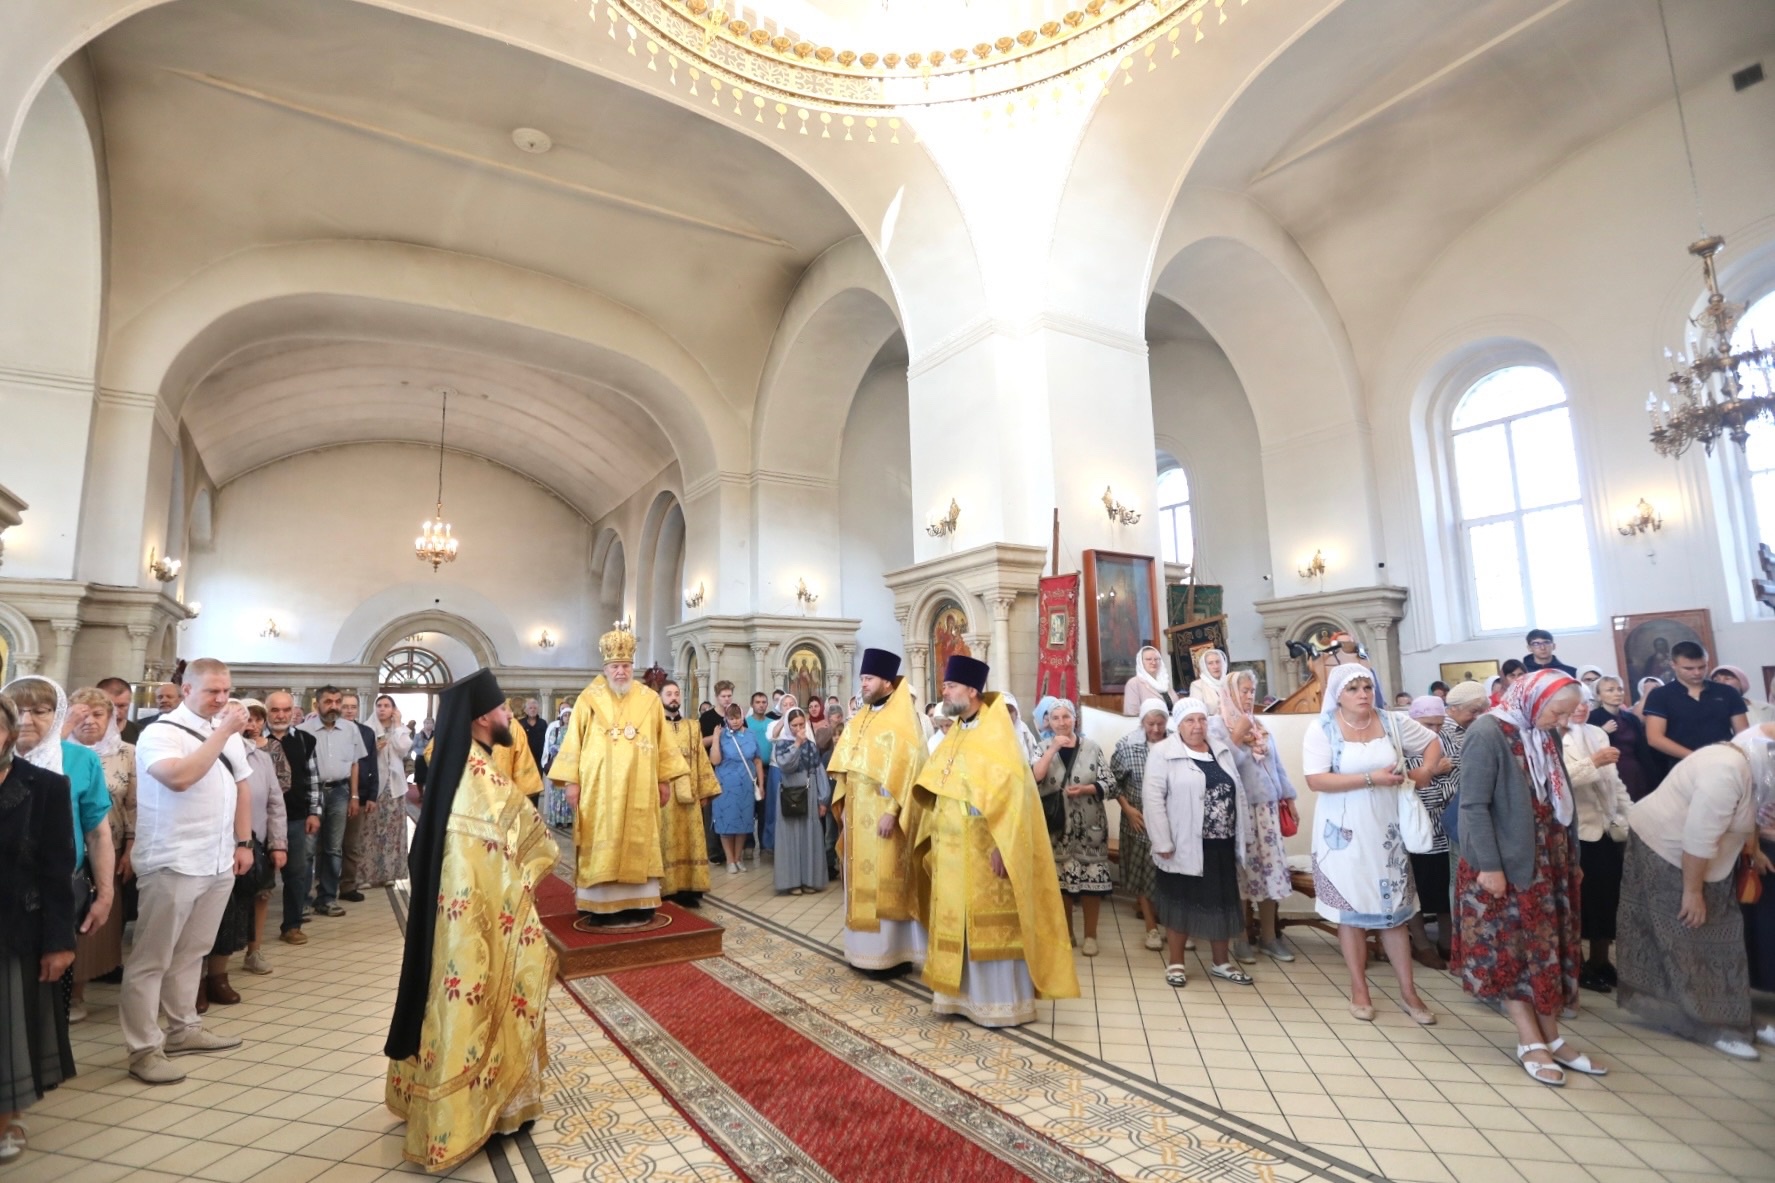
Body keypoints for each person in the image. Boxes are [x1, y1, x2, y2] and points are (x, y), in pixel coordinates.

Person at [384, 669, 559, 1171]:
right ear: (483, 717)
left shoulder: (458, 760)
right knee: (474, 1003)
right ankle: (472, 1112)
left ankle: (470, 1102)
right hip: (473, 917)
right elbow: (491, 853)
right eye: (503, 709)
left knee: (447, 1001)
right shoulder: (475, 774)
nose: (509, 716)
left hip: (453, 915)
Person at [1453, 670, 1605, 1085]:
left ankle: (1551, 1037)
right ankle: (1529, 1040)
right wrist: (1489, 866)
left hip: (1549, 858)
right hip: (1505, 863)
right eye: (1558, 712)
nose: (1562, 722)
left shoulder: (1543, 730)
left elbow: (1559, 796)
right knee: (1514, 953)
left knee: (1546, 951)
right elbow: (1473, 806)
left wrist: (1571, 856)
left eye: (1568, 714)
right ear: (1534, 700)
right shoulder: (1487, 732)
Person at [911, 655, 1078, 1026]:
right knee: (959, 924)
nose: (944, 691)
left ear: (972, 690)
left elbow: (1014, 794)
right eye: (945, 685)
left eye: (951, 686)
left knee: (991, 927)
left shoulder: (996, 733)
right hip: (951, 846)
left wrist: (1006, 845)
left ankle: (999, 1004)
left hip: (986, 845)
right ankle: (958, 999)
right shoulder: (957, 731)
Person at [122, 658, 254, 1085]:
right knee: (151, 960)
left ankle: (183, 1029)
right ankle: (144, 1050)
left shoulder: (226, 734)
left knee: (193, 951)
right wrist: (223, 731)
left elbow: (241, 785)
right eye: (213, 691)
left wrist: (244, 842)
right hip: (172, 859)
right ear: (187, 690)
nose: (222, 698)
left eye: (226, 690)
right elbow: (180, 778)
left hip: (218, 858)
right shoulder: (161, 733)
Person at [1616, 724, 1775, 1060]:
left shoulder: (1750, 765)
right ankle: (1711, 1025)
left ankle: (1739, 1017)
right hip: (1668, 850)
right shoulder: (1725, 773)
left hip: (1707, 856)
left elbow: (1747, 812)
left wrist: (1753, 850)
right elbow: (1698, 838)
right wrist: (1692, 893)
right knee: (1690, 938)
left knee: (1727, 938)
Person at [1303, 663, 1442, 1023]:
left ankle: (1409, 992)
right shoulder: (1322, 728)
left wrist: (1425, 770)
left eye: (1367, 687)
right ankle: (1359, 988)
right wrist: (1370, 779)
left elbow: (1432, 741)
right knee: (1351, 914)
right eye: (1353, 689)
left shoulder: (1391, 721)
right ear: (1338, 695)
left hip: (1386, 830)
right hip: (1343, 833)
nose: (1363, 694)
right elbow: (1316, 780)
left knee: (1394, 912)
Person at [549, 623, 689, 927]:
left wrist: (664, 779)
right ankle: (600, 905)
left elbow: (664, 741)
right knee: (602, 841)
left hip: (641, 786)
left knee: (640, 840)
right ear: (605, 668)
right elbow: (573, 742)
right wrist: (572, 783)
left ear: (632, 666)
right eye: (615, 666)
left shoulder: (649, 699)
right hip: (598, 790)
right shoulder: (589, 698)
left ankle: (640, 904)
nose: (621, 671)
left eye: (625, 665)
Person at [0, 694, 77, 1164]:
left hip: (13, 929)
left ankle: (5, 1119)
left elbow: (56, 870)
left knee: (6, 1032)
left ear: (9, 734)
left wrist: (59, 942)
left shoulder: (44, 786)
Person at [7, 679, 114, 1017]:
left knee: (48, 996)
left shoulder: (80, 760)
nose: (26, 720)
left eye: (40, 711)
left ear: (58, 715)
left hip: (59, 892)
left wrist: (105, 894)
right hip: (6, 894)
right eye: (17, 711)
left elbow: (98, 834)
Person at [828, 649, 928, 974]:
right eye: (862, 678)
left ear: (886, 681)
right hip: (857, 816)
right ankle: (861, 953)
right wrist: (844, 803)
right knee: (860, 881)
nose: (863, 684)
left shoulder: (903, 721)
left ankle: (892, 954)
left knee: (886, 882)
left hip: (885, 815)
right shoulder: (861, 717)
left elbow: (911, 771)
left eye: (868, 678)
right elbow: (847, 765)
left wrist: (893, 812)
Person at [1145, 698, 1254, 988]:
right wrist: (1162, 841)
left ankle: (1221, 963)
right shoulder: (1162, 752)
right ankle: (1176, 963)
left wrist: (1245, 835)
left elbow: (1238, 793)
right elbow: (1153, 799)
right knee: (1181, 902)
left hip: (1222, 843)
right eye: (1190, 721)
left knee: (1222, 902)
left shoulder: (1220, 749)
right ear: (1178, 725)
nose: (1197, 726)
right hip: (1183, 843)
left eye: (1202, 719)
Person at [198, 700, 288, 1012]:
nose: (240, 722)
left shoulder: (260, 758)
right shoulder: (203, 751)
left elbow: (275, 802)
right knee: (204, 915)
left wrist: (278, 843)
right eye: (228, 715)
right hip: (209, 847)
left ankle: (218, 976)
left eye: (243, 717)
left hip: (249, 845)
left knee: (234, 914)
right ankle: (194, 980)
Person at [1213, 669, 1300, 963]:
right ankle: (1240, 938)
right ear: (1230, 693)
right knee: (1241, 875)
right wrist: (1237, 736)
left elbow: (1276, 766)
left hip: (1268, 811)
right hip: (1239, 812)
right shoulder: (1216, 725)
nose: (1250, 696)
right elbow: (1221, 767)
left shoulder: (1259, 723)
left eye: (1253, 691)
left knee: (1270, 873)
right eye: (1244, 691)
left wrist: (1289, 798)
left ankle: (1269, 937)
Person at [65, 686, 136, 1022]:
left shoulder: (126, 753)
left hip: (110, 846)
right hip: (68, 848)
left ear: (111, 718)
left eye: (98, 714)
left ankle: (76, 994)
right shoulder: (55, 752)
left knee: (92, 925)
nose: (89, 721)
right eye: (81, 714)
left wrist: (131, 848)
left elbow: (134, 804)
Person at [1032, 699, 1113, 956]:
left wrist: (1088, 789)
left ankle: (1091, 936)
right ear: (1048, 722)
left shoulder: (1092, 747)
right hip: (1057, 829)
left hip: (1090, 827)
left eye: (1066, 717)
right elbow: (1034, 777)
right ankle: (1066, 933)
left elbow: (1110, 783)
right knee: (1061, 885)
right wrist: (1053, 748)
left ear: (1074, 719)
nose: (1061, 722)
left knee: (1092, 882)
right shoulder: (1041, 747)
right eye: (1055, 718)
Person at [1562, 710, 1632, 993]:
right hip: (1575, 830)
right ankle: (1576, 965)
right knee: (1580, 901)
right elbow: (1558, 780)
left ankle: (1600, 960)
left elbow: (1614, 781)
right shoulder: (1552, 735)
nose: (1580, 708)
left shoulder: (1597, 733)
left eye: (1584, 702)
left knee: (1607, 898)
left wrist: (1632, 815)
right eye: (1573, 703)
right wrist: (1593, 761)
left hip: (1606, 827)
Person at [1426, 682, 1490, 940]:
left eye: (1481, 710)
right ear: (1453, 708)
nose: (1477, 716)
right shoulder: (1443, 733)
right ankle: (1462, 939)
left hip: (1471, 813)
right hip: (1455, 814)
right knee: (1459, 881)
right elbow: (1435, 774)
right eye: (1473, 711)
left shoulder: (1471, 728)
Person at [298, 686, 367, 917]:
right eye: (328, 702)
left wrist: (354, 796)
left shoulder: (350, 729)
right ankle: (302, 901)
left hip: (340, 791)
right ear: (317, 704)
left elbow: (355, 764)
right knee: (307, 849)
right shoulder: (303, 730)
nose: (334, 706)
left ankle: (327, 898)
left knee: (334, 848)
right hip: (311, 793)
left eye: (337, 701)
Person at [1643, 641, 1748, 787]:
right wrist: (1697, 757)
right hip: (1682, 766)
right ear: (1673, 665)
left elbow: (1743, 734)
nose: (1697, 673)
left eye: (1702, 667)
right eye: (1689, 668)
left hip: (1726, 764)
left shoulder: (1727, 692)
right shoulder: (1660, 695)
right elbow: (1654, 738)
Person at [1110, 701, 1168, 952]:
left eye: (1160, 724)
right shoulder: (1127, 745)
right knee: (1144, 873)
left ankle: (1175, 925)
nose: (1155, 729)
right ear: (1142, 722)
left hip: (1170, 819)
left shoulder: (1177, 743)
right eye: (1150, 724)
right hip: (1139, 819)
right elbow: (1113, 782)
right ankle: (1151, 928)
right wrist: (1127, 809)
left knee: (1170, 874)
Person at [1401, 695, 1453, 969]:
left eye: (1439, 724)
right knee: (1414, 892)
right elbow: (1406, 792)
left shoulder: (1446, 743)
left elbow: (1458, 788)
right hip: (1412, 835)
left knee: (1446, 890)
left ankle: (1448, 942)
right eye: (1427, 724)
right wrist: (1433, 772)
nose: (1434, 730)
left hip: (1445, 834)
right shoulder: (1399, 749)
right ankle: (1420, 944)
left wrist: (1426, 776)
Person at [265, 691, 320, 946]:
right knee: (259, 876)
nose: (281, 715)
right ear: (267, 711)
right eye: (275, 710)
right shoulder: (252, 739)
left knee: (297, 873)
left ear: (293, 711)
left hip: (296, 817)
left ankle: (292, 925)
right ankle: (249, 931)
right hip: (261, 819)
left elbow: (313, 779)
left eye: (286, 710)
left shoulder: (305, 740)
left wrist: (314, 812)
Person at [658, 680, 719, 907]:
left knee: (691, 840)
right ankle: (666, 888)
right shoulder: (654, 726)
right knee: (666, 838)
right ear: (660, 698)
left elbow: (701, 758)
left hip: (690, 792)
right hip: (664, 793)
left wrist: (705, 790)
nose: (674, 697)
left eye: (676, 693)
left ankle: (689, 889)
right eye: (669, 694)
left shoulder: (693, 726)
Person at [771, 708, 832, 895]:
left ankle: (809, 880)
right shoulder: (781, 744)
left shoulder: (812, 746)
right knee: (790, 836)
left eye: (801, 725)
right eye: (794, 725)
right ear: (788, 726)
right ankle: (791, 882)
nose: (798, 729)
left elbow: (818, 771)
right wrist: (797, 744)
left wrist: (823, 799)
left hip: (809, 791)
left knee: (809, 835)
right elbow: (785, 765)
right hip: (789, 792)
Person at [355, 696, 413, 889]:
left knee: (391, 831)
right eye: (379, 705)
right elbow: (359, 755)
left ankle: (389, 874)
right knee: (369, 830)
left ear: (393, 709)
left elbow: (403, 749)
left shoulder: (400, 729)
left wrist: (397, 725)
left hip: (394, 787)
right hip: (373, 785)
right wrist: (374, 749)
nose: (382, 709)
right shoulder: (367, 728)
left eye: (387, 706)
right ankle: (365, 874)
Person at [336, 693, 381, 903]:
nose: (349, 710)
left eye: (353, 707)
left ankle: (348, 885)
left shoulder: (366, 732)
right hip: (335, 792)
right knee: (330, 845)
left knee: (352, 844)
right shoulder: (332, 731)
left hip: (361, 794)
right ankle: (325, 885)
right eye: (345, 706)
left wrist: (372, 795)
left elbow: (372, 764)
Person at [711, 705, 762, 873]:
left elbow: (757, 760)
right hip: (725, 785)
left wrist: (761, 785)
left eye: (738, 717)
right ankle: (730, 859)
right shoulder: (722, 735)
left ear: (743, 716)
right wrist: (716, 738)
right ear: (726, 718)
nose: (735, 721)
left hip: (746, 784)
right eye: (731, 718)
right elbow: (715, 760)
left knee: (744, 822)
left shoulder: (751, 734)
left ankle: (738, 857)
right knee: (726, 820)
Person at [1589, 675, 1652, 801]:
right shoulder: (1592, 718)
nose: (1617, 693)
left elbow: (1642, 750)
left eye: (1620, 689)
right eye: (1610, 690)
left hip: (1635, 770)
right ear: (1599, 696)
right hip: (1610, 771)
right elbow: (1589, 747)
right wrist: (1603, 731)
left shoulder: (1631, 718)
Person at [1122, 645, 1175, 716]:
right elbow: (1132, 714)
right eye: (1149, 659)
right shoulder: (1134, 683)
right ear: (1141, 662)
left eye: (1156, 659)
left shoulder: (1165, 683)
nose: (1153, 662)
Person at [515, 698, 548, 776]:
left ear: (538, 710)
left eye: (535, 708)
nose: (533, 710)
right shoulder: (520, 723)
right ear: (526, 710)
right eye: (530, 708)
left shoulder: (543, 723)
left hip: (539, 758)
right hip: (524, 757)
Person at [1191, 649, 1229, 714]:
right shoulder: (1197, 686)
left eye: (1218, 662)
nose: (1216, 666)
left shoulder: (1230, 682)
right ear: (1204, 666)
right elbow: (1196, 712)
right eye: (1210, 663)